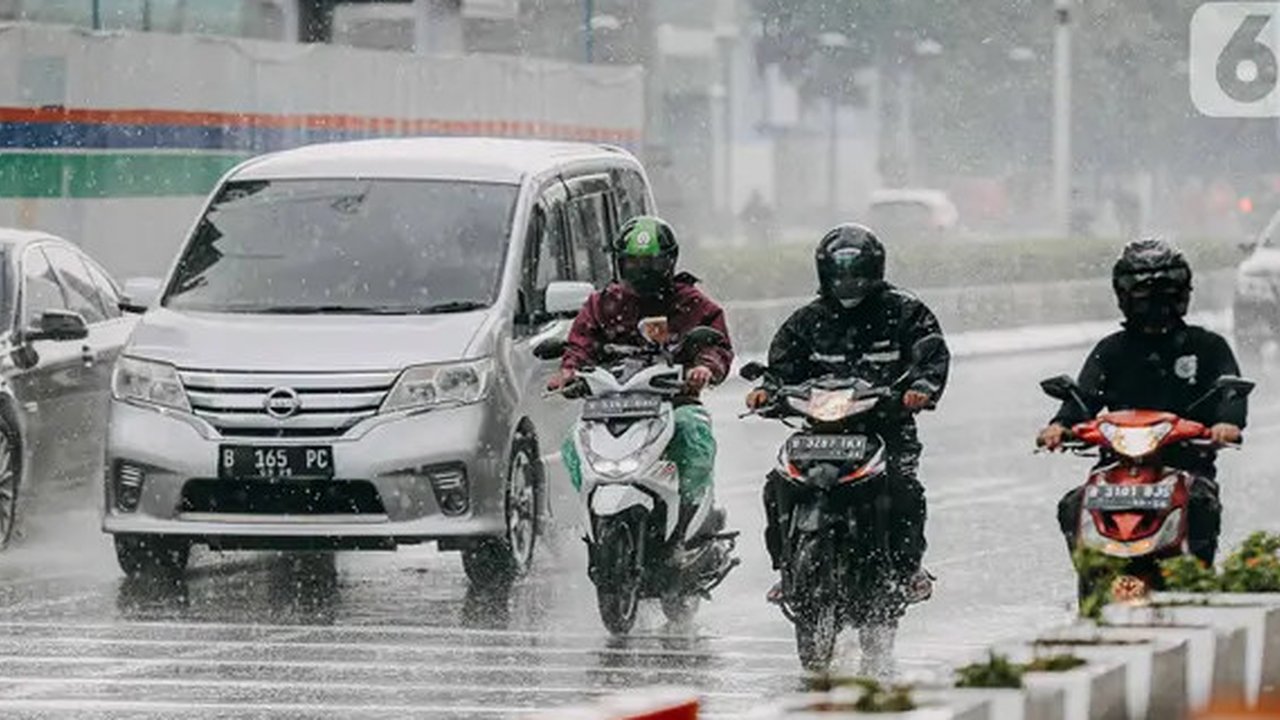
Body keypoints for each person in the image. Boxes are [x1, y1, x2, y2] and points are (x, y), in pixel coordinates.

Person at [745, 223, 951, 605]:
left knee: (904, 490)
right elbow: (782, 367)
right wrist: (767, 391)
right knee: (777, 487)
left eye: (857, 273)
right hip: (820, 431)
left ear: (875, 270)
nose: (848, 282)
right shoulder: (807, 320)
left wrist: (921, 389)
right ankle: (787, 571)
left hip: (885, 427)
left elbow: (931, 354)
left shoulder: (905, 313)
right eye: (839, 274)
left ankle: (907, 570)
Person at [1037, 237, 1247, 566]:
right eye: (1142, 291)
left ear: (1183, 291)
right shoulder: (1111, 350)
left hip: (1185, 464)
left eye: (1164, 290)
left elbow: (1230, 394)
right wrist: (1059, 426)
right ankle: (1091, 576)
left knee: (1200, 502)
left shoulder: (1208, 346)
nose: (1153, 300)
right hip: (1114, 466)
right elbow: (1083, 399)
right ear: (1123, 295)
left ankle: (1198, 578)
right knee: (1073, 504)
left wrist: (1226, 424)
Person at [549, 215, 734, 530]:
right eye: (633, 262)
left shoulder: (692, 303)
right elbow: (580, 344)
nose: (642, 270)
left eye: (651, 263)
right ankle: (590, 505)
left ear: (670, 262)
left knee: (693, 434)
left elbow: (716, 345)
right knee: (572, 443)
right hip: (610, 404)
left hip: (674, 402)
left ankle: (693, 517)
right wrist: (568, 371)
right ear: (620, 263)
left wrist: (704, 367)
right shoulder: (602, 303)